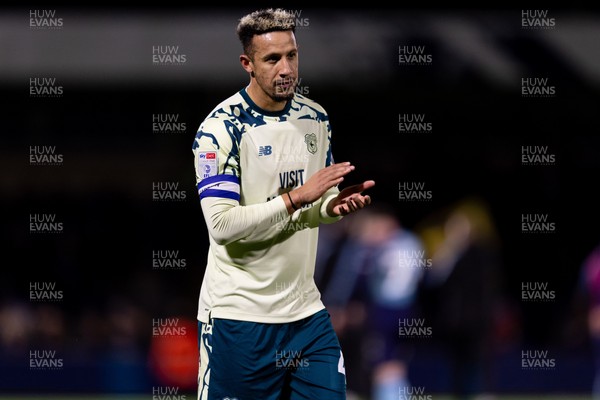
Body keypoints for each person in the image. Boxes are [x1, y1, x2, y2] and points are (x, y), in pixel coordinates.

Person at [191, 8, 375, 400]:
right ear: (248, 64)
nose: (286, 68)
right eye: (272, 59)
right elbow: (222, 227)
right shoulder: (221, 129)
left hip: (304, 314)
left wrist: (330, 207)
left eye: (291, 55)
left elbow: (314, 202)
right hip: (239, 319)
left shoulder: (315, 118)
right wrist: (296, 199)